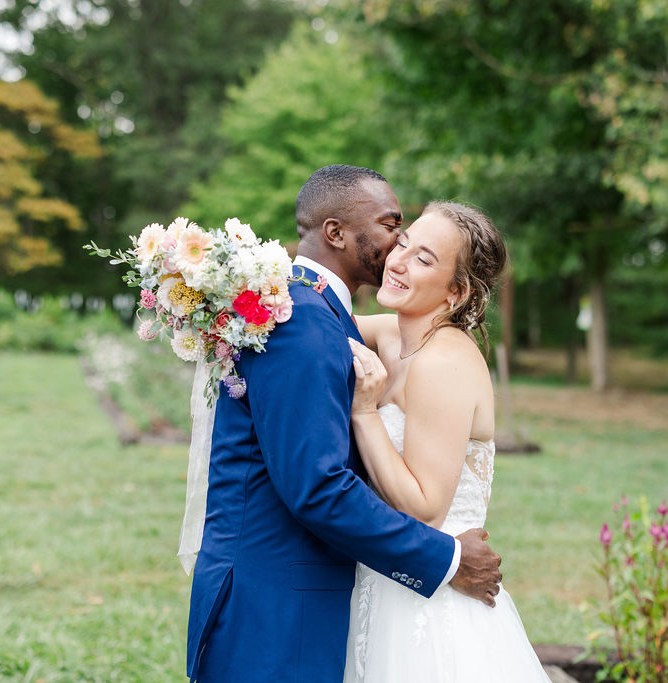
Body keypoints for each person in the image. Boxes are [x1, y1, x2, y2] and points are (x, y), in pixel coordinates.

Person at [185, 167, 503, 683]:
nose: (398, 246)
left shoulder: (314, 313)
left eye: (419, 250)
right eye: (394, 228)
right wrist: (446, 560)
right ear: (335, 233)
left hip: (357, 602)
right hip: (275, 609)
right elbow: (316, 487)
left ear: (456, 292)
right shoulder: (302, 318)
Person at [344, 201, 551, 682]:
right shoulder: (396, 336)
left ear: (455, 292)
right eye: (404, 243)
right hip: (383, 579)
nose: (397, 261)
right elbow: (325, 326)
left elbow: (425, 508)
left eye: (424, 259)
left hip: (434, 607)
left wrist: (364, 411)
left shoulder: (445, 363)